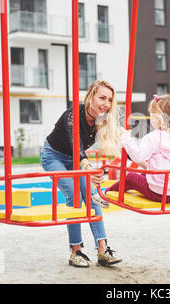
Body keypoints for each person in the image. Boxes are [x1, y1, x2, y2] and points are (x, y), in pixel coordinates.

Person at [40, 80, 122, 268]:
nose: (106, 104)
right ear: (90, 97)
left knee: (92, 197)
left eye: (109, 100)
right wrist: (87, 167)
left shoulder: (102, 119)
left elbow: (117, 140)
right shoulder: (72, 115)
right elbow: (75, 143)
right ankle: (75, 251)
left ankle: (103, 250)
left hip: (76, 160)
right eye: (102, 98)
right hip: (54, 156)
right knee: (74, 195)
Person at [93, 94, 170, 207]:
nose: (150, 119)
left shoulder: (153, 137)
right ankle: (112, 192)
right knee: (143, 172)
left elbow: (138, 157)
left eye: (151, 115)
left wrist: (125, 138)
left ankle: (104, 195)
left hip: (159, 193)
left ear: (158, 118)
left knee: (131, 177)